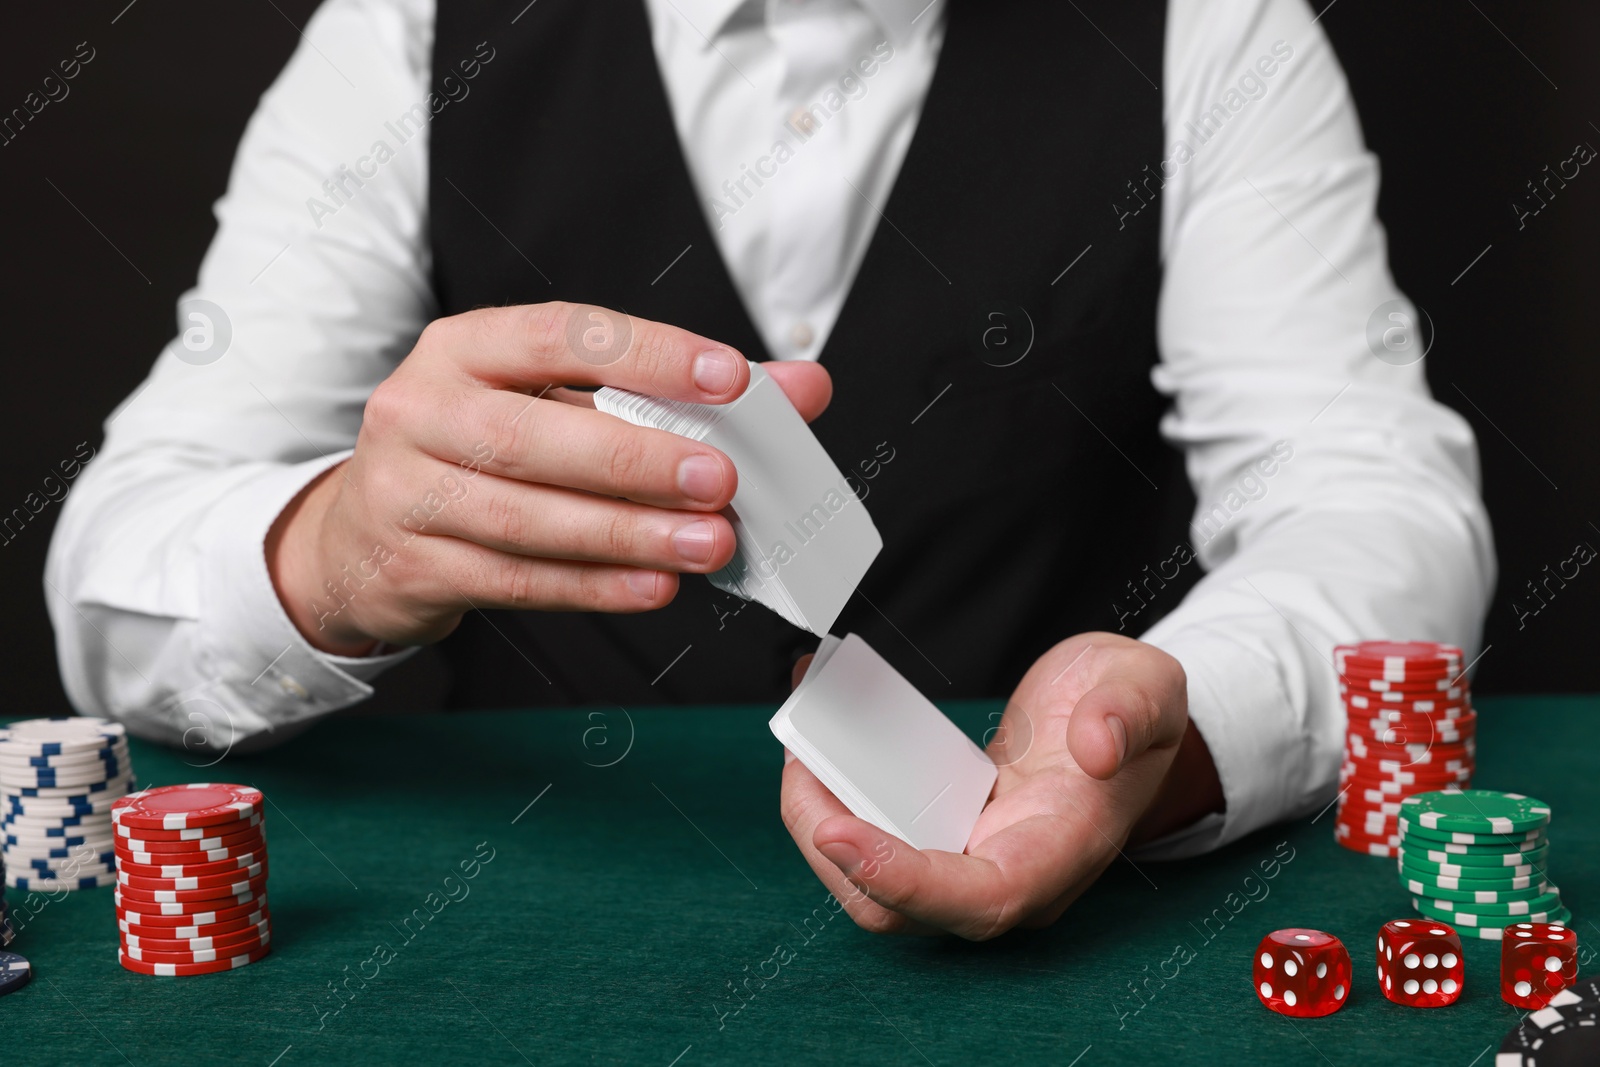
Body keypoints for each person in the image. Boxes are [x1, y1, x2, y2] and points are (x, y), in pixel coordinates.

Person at [45, 0, 1493, 940]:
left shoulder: (1211, 30)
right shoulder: (411, 35)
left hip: (1074, 944)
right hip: (543, 919)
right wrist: (334, 554)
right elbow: (118, 568)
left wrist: (1166, 744)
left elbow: (1372, 502)